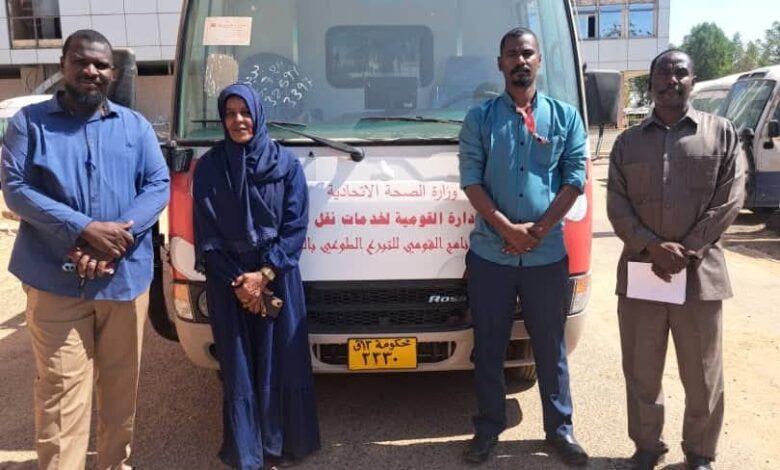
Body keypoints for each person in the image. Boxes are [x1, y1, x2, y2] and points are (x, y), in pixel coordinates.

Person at [0, 29, 170, 469]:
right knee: (61, 392)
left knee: (120, 390)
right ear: (63, 64)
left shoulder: (134, 126)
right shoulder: (29, 124)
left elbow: (158, 184)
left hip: (123, 281)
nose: (90, 70)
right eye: (81, 61)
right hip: (55, 281)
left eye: (100, 64)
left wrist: (116, 239)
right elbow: (16, 190)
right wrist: (84, 229)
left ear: (113, 73)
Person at [606, 50, 745, 470]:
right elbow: (617, 204)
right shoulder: (627, 143)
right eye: (663, 73)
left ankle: (700, 453)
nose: (672, 80)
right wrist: (652, 247)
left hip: (699, 276)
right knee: (641, 370)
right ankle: (647, 447)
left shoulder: (721, 133)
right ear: (650, 83)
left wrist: (688, 249)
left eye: (680, 72)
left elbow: (731, 197)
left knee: (703, 374)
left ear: (693, 81)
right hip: (642, 273)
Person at [458, 27, 589, 466]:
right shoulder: (479, 119)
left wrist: (537, 230)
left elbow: (574, 178)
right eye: (512, 54)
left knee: (550, 348)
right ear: (500, 64)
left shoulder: (566, 117)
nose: (520, 60)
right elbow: (471, 180)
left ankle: (560, 431)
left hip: (546, 256)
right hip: (490, 256)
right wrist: (506, 230)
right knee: (489, 348)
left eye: (527, 53)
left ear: (539, 61)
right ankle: (488, 429)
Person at [192, 83, 320, 470]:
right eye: (230, 114)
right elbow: (207, 233)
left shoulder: (286, 165)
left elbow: (295, 228)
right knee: (240, 366)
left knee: (282, 361)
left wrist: (262, 275)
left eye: (245, 112)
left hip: (277, 277)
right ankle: (248, 451)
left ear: (258, 115)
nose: (238, 120)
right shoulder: (210, 167)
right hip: (229, 283)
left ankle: (287, 444)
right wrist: (240, 281)